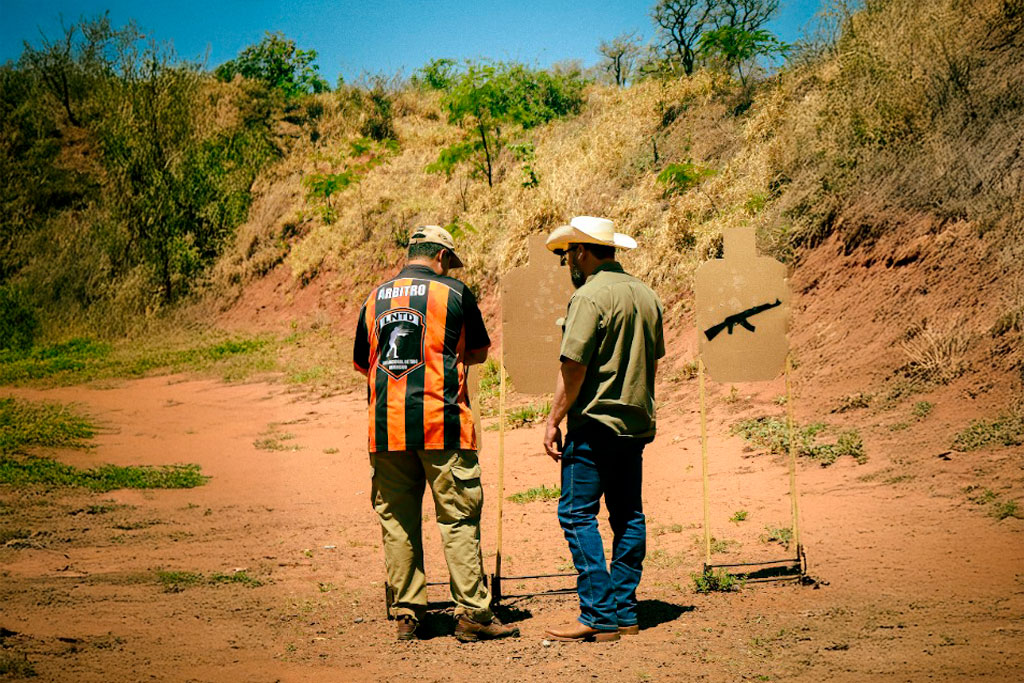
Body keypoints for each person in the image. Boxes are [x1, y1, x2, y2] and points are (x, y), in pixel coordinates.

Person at [353, 225, 518, 643]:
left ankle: (407, 613)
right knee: (458, 518)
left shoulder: (373, 297)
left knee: (397, 521)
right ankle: (472, 614)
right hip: (441, 423)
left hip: (385, 428)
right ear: (443, 257)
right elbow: (479, 351)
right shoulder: (455, 292)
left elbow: (362, 361)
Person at [541, 216, 665, 643]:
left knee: (576, 514)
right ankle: (626, 611)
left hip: (593, 424)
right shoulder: (647, 295)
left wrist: (553, 419)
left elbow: (573, 367)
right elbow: (654, 357)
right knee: (628, 515)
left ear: (581, 251)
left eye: (567, 255)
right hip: (635, 424)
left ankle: (598, 613)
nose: (567, 265)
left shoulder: (589, 297)